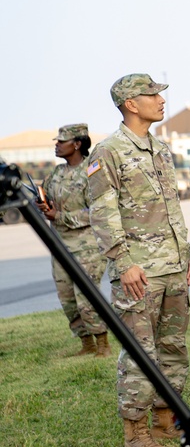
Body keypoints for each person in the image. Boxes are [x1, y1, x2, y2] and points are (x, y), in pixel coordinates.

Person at [86, 74, 190, 447]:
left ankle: (165, 421)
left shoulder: (160, 149)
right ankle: (135, 432)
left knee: (173, 347)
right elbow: (102, 212)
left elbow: (170, 208)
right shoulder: (109, 151)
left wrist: (185, 254)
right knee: (139, 352)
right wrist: (123, 260)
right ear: (131, 103)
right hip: (139, 272)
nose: (160, 99)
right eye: (152, 94)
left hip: (172, 266)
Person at [38, 123, 110, 357]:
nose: (57, 146)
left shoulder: (93, 170)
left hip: (87, 246)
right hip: (60, 245)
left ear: (77, 144)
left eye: (62, 142)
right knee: (67, 297)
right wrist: (43, 204)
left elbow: (99, 210)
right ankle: (86, 343)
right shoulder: (57, 174)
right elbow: (47, 198)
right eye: (56, 142)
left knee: (86, 296)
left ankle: (103, 344)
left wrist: (60, 216)